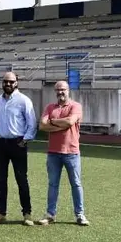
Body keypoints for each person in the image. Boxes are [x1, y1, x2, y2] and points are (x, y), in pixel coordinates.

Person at [37, 80, 89, 226]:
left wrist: (52, 122)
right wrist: (61, 124)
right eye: (58, 90)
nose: (60, 92)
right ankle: (50, 214)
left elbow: (70, 121)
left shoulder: (76, 106)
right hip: (53, 153)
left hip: (71, 152)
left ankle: (80, 214)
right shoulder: (49, 107)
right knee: (53, 184)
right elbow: (42, 125)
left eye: (63, 89)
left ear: (68, 90)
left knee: (76, 184)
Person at [0, 71, 37, 226]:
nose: (8, 84)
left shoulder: (24, 101)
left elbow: (32, 123)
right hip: (0, 144)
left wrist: (25, 139)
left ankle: (27, 213)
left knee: (22, 179)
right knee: (0, 180)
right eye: (5, 81)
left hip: (18, 144)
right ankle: (1, 213)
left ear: (17, 82)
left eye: (11, 81)